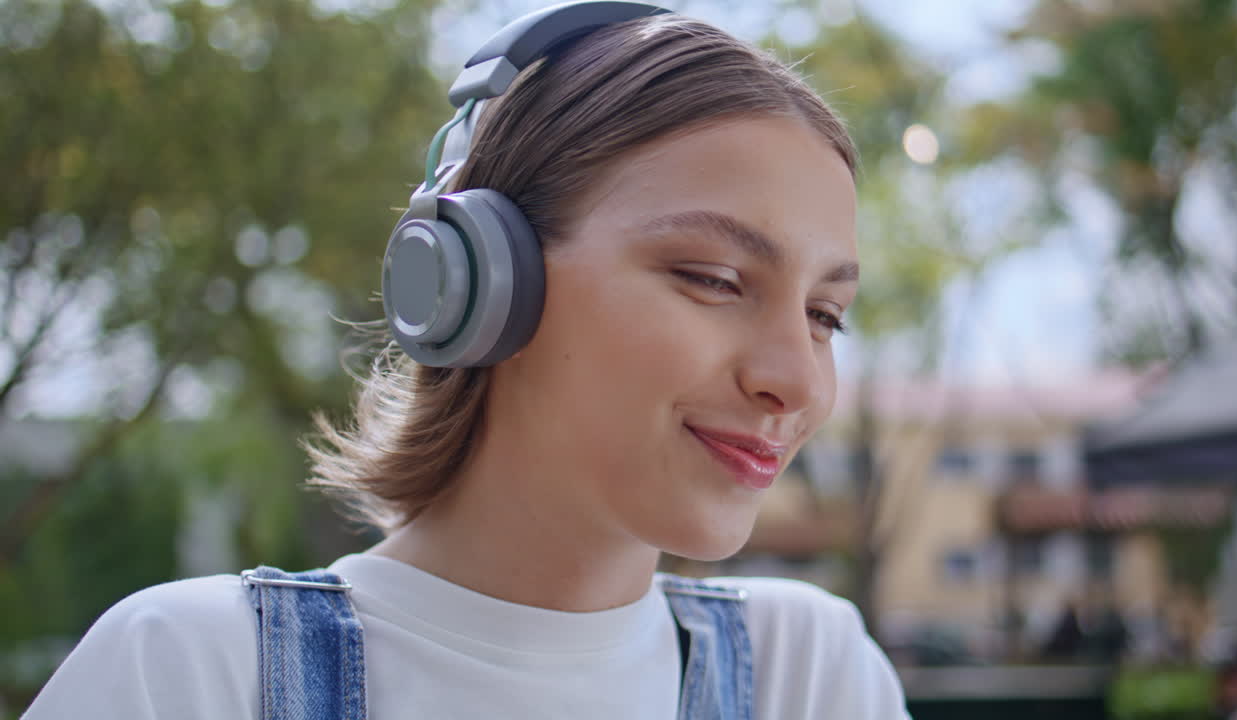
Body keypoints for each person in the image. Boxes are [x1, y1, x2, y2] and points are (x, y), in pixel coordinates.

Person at [24, 2, 909, 718]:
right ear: (477, 276)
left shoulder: (811, 678)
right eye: (713, 279)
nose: (796, 381)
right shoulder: (189, 674)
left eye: (827, 314)